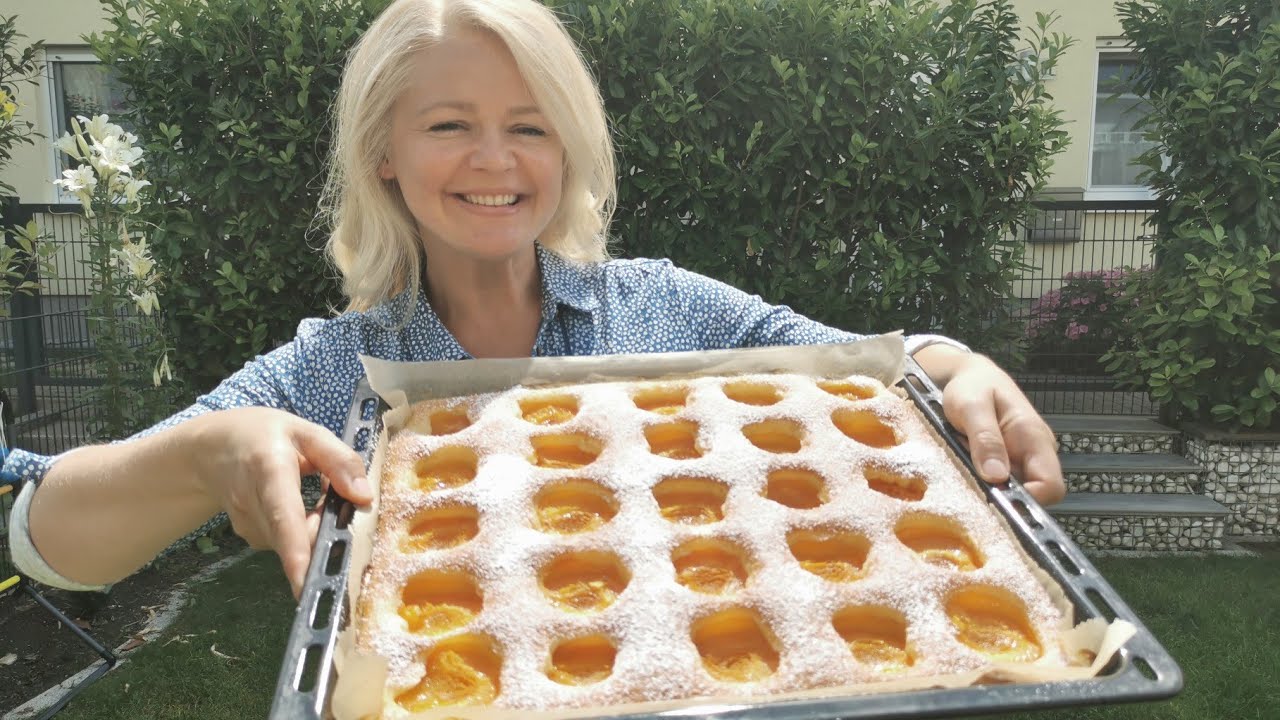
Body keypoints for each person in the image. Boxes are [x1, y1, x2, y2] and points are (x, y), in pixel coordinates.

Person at [6, 0, 1064, 600]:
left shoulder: (665, 312)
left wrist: (957, 365)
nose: (495, 160)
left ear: (568, 147)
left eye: (530, 125)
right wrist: (207, 452)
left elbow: (856, 365)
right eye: (448, 125)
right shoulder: (333, 374)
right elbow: (49, 540)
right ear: (382, 153)